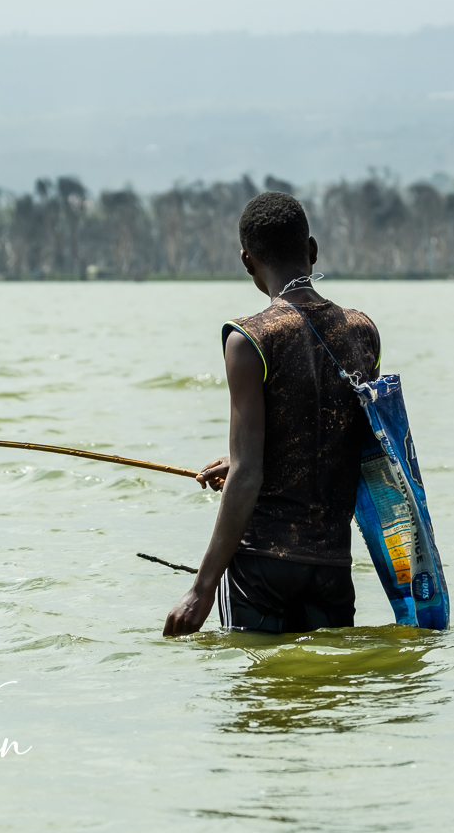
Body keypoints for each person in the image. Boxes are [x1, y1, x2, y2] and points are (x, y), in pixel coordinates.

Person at [163, 192, 381, 636]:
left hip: (262, 567)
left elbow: (248, 473)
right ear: (312, 249)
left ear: (247, 261)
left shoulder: (248, 339)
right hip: (332, 567)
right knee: (330, 679)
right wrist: (244, 462)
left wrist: (202, 588)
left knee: (259, 680)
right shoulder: (363, 331)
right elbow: (344, 446)